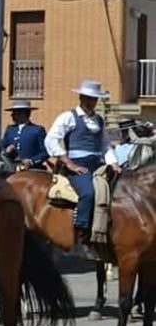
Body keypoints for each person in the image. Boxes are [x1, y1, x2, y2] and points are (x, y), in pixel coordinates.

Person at [44, 80, 120, 254]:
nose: (91, 101)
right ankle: (81, 234)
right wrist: (68, 162)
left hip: (98, 164)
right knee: (88, 193)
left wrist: (114, 163)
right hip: (77, 165)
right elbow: (51, 139)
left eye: (94, 99)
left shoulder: (99, 120)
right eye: (88, 98)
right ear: (81, 97)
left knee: (118, 191)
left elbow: (105, 145)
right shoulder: (68, 117)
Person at [0, 100, 49, 171]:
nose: (12, 115)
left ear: (24, 113)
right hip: (10, 168)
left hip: (32, 169)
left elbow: (46, 152)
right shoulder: (10, 129)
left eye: (15, 113)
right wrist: (6, 150)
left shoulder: (37, 130)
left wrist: (31, 161)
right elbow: (2, 147)